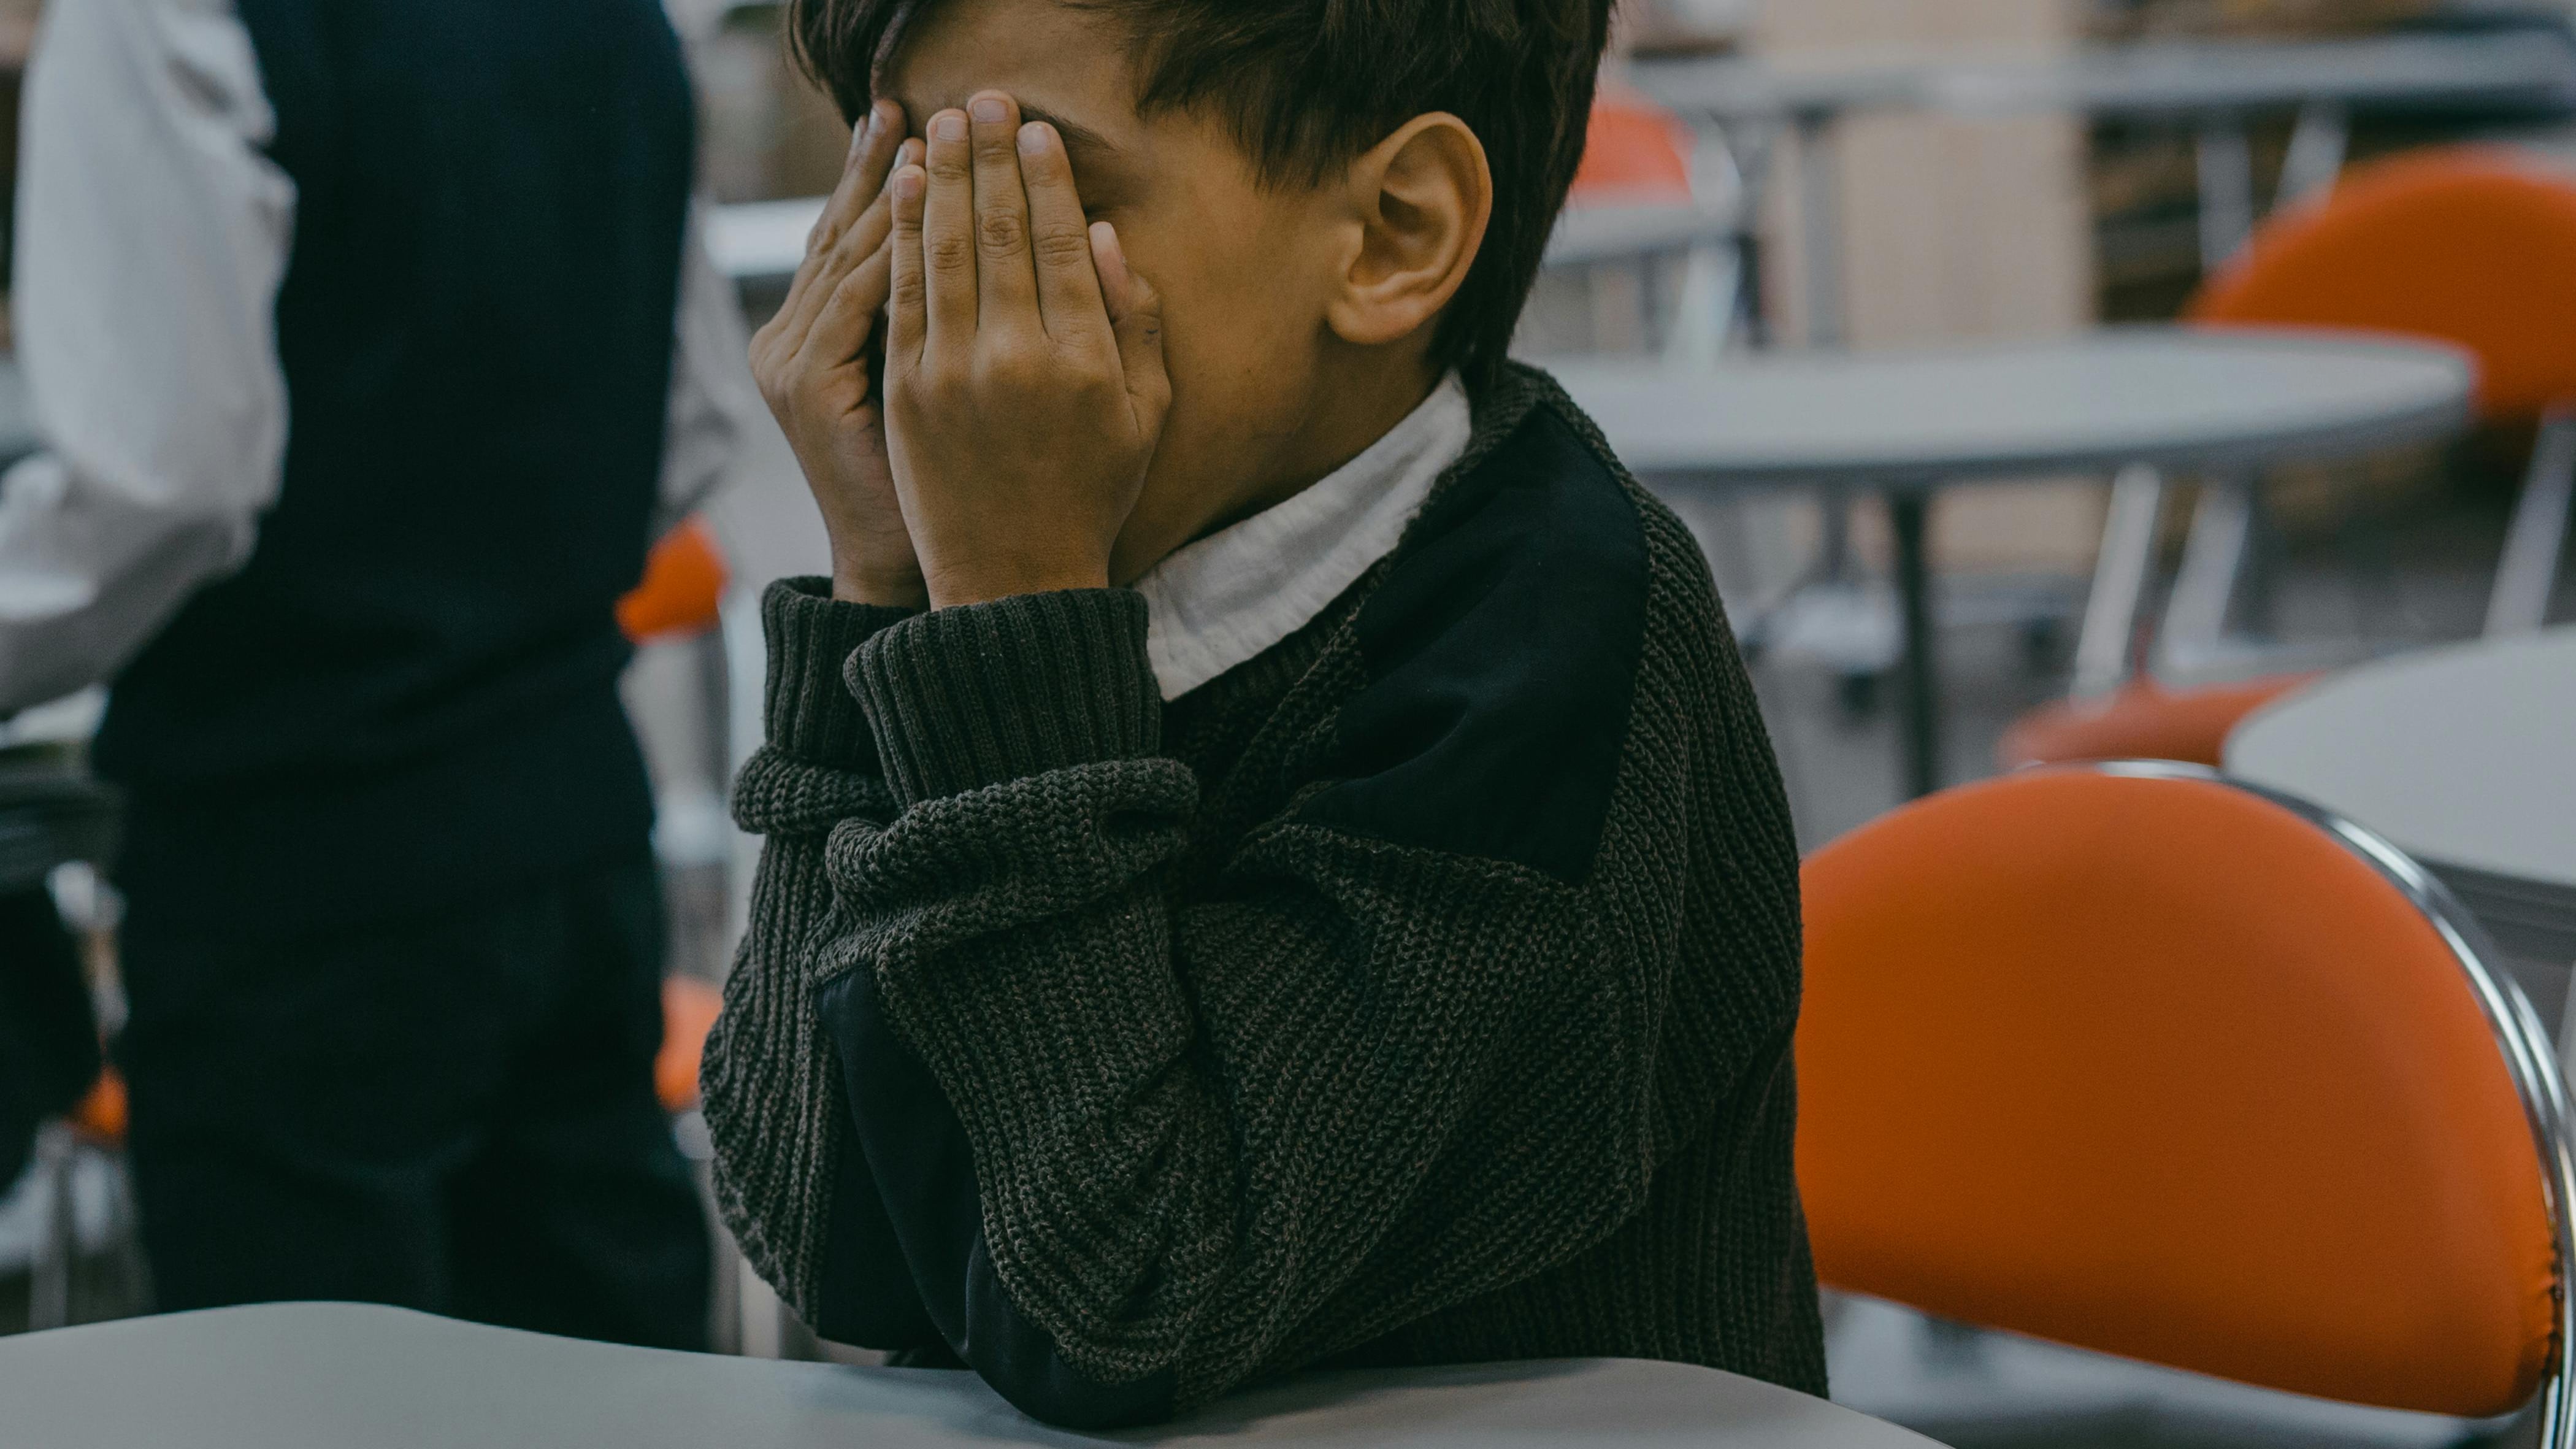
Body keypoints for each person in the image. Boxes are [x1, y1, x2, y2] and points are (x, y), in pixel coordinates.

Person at [701, 0, 1824, 1426]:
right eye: (915, 188)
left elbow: (1127, 1303)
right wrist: (883, 587)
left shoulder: (1554, 634)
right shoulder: (1070, 571)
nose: (931, 309)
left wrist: (1009, 619)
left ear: (1392, 234)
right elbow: (828, 1238)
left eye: (1037, 194)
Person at [0, 0, 756, 1348]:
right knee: (606, 1393)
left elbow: (163, 487)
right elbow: (690, 425)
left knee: (309, 1397)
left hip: (301, 875)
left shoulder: (158, 17)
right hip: (577, 825)